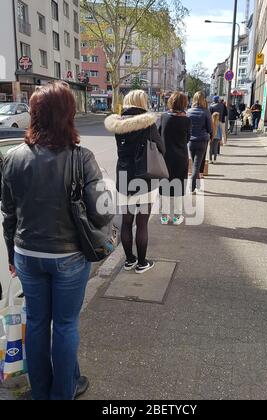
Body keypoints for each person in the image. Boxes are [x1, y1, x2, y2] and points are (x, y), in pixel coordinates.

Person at [1, 81, 113, 400]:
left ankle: (40, 392)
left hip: (26, 254)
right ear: (68, 115)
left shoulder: (13, 158)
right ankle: (63, 393)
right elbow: (103, 215)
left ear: (34, 115)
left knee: (36, 324)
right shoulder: (82, 158)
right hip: (67, 257)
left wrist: (12, 256)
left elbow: (9, 215)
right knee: (64, 326)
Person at [105, 90, 165, 274]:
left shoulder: (118, 124)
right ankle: (141, 263)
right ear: (142, 102)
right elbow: (160, 148)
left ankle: (129, 260)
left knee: (126, 222)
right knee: (142, 223)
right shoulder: (148, 123)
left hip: (124, 176)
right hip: (144, 177)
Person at [159, 91, 191, 226]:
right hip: (180, 157)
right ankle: (178, 216)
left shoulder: (164, 117)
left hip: (165, 156)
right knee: (179, 186)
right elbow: (188, 138)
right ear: (184, 104)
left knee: (164, 185)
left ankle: (165, 217)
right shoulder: (187, 120)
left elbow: (158, 134)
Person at [187, 91, 213, 194]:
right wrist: (210, 135)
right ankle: (192, 187)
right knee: (196, 165)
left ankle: (197, 186)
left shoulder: (188, 111)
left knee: (194, 163)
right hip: (202, 140)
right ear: (203, 100)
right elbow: (210, 128)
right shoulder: (205, 112)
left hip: (191, 141)